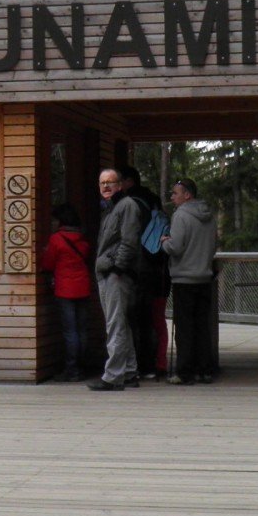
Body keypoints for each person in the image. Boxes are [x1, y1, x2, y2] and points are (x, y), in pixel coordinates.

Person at [88, 168, 145, 392]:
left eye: (111, 182)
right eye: (102, 183)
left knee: (114, 324)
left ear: (120, 185)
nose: (106, 187)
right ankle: (129, 372)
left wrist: (117, 268)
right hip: (107, 272)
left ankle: (113, 376)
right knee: (119, 322)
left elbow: (129, 241)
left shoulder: (127, 205)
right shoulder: (110, 208)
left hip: (116, 274)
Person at [162, 178, 220, 384]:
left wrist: (165, 243)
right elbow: (214, 245)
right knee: (202, 326)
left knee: (185, 328)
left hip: (184, 278)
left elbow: (176, 247)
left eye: (175, 193)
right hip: (204, 277)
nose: (172, 197)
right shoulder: (209, 217)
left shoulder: (181, 215)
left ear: (187, 195)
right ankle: (204, 369)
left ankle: (184, 371)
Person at [118, 165, 169, 381]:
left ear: (129, 182)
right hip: (156, 266)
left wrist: (120, 264)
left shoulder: (130, 204)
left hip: (137, 268)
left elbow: (128, 238)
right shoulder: (153, 201)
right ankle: (154, 364)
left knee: (134, 318)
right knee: (153, 319)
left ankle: (137, 364)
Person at [38, 203, 94, 381]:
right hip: (83, 287)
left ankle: (72, 370)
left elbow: (48, 264)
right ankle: (82, 366)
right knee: (82, 330)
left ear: (60, 220)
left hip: (65, 289)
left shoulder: (56, 239)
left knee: (70, 331)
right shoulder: (83, 238)